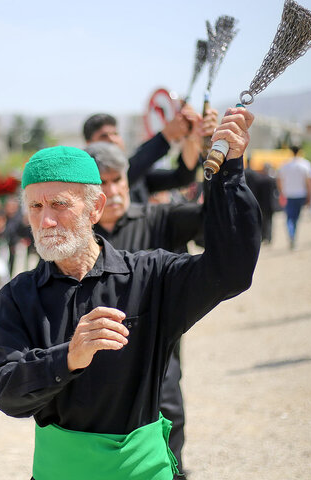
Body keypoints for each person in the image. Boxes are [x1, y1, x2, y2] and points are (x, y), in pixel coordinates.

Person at [0, 107, 260, 479]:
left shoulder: (151, 275)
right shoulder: (16, 298)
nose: (45, 220)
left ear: (95, 207)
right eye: (35, 206)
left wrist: (229, 171)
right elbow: (6, 393)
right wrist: (69, 356)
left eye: (59, 204)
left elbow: (231, 271)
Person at [85, 138, 208, 477]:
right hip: (96, 361)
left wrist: (218, 158)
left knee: (168, 411)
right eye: (101, 183)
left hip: (157, 348)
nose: (112, 190)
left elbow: (217, 226)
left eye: (117, 180)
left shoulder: (160, 218)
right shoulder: (78, 235)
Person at [82, 107, 216, 204]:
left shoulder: (141, 177)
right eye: (104, 136)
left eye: (115, 134)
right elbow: (134, 167)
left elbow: (181, 177)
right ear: (89, 144)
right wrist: (167, 135)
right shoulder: (85, 180)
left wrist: (190, 136)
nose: (113, 140)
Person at [277, 146, 311, 249]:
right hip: (300, 195)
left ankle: (291, 235)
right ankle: (293, 235)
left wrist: (281, 192)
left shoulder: (285, 165)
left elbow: (279, 180)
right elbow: (309, 183)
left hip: (288, 194)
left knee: (289, 217)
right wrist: (310, 196)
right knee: (296, 218)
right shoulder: (306, 164)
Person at [245, 159, 277, 244]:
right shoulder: (272, 180)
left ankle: (263, 237)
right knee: (269, 221)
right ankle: (269, 238)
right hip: (271, 203)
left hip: (261, 203)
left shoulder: (259, 179)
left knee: (262, 221)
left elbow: (257, 192)